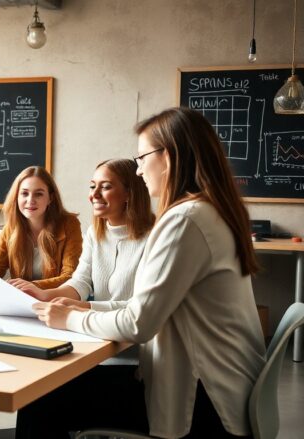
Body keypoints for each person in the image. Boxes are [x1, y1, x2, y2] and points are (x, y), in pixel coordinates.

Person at [20, 107, 266, 438]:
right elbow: (145, 305)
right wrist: (84, 307)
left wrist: (68, 319)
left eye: (142, 157)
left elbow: (138, 322)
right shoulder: (208, 211)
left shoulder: (184, 221)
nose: (138, 170)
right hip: (221, 386)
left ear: (170, 156)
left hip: (203, 402)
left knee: (39, 398)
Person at [15, 159, 154, 308]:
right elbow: (81, 281)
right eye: (92, 186)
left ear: (129, 193)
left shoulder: (154, 236)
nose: (94, 194)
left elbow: (143, 307)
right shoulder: (94, 233)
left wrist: (85, 307)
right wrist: (42, 294)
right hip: (96, 326)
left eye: (106, 187)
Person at [0, 166, 82, 290]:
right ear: (16, 197)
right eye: (24, 193)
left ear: (50, 198)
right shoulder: (11, 227)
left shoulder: (69, 224)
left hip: (55, 301)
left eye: (38, 194)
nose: (30, 200)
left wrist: (33, 286)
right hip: (21, 301)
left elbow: (71, 276)